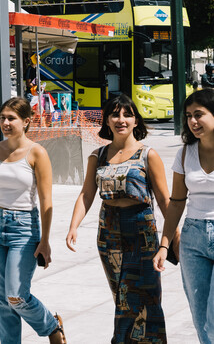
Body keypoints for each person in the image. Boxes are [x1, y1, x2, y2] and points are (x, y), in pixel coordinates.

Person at [67, 94, 169, 343]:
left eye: (127, 114)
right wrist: (73, 226)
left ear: (136, 120)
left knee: (147, 295)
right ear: (107, 120)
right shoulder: (98, 156)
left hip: (141, 230)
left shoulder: (148, 155)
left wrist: (171, 237)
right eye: (115, 114)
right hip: (109, 232)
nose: (121, 120)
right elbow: (87, 194)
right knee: (122, 296)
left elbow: (165, 199)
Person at [0, 97, 66, 344]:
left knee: (16, 295)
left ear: (26, 122)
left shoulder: (37, 153)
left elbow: (46, 201)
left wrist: (45, 240)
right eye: (2, 118)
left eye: (12, 118)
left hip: (24, 228)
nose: (5, 123)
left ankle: (52, 326)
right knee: (1, 299)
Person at [154, 88, 214, 343]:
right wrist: (165, 245)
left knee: (213, 319)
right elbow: (177, 202)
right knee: (201, 320)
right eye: (188, 116)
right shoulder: (185, 153)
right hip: (192, 240)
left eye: (198, 114)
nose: (192, 121)